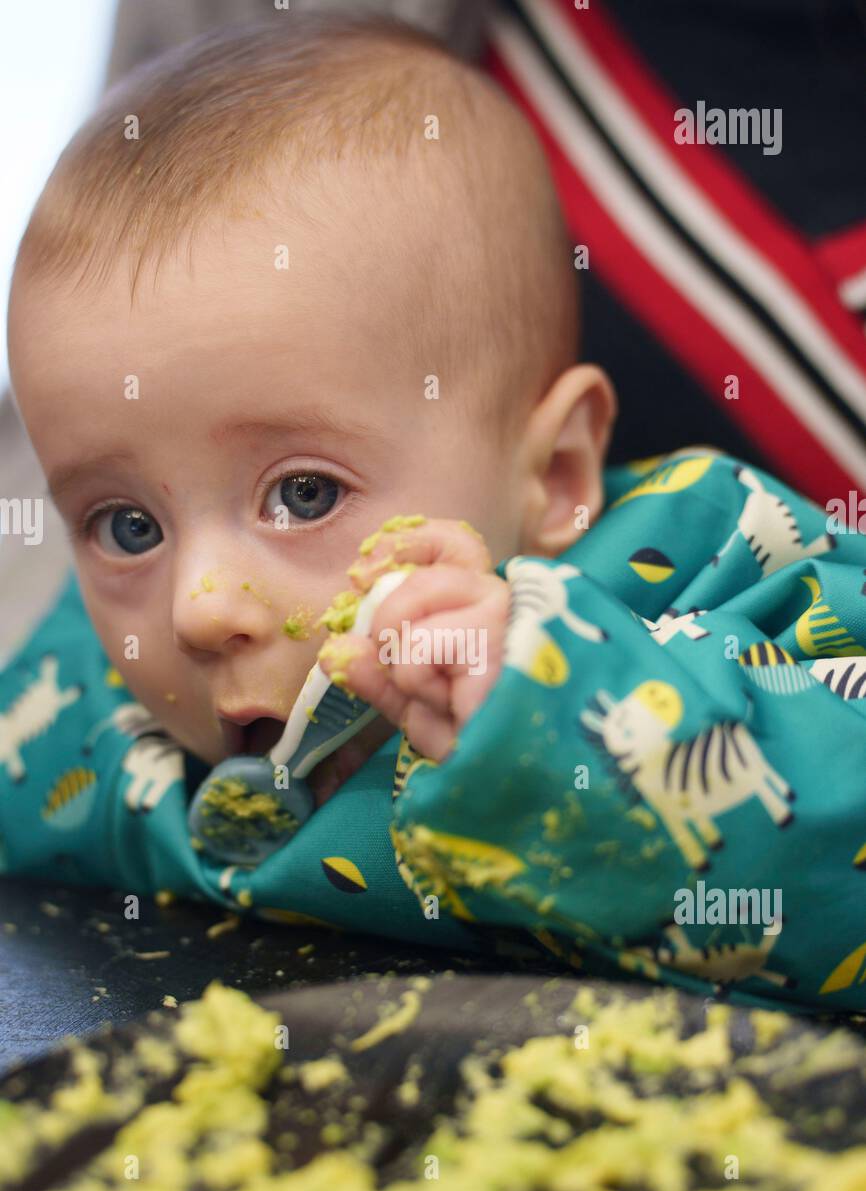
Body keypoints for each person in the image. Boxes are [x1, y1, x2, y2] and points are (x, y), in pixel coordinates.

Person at [3, 15, 866, 1017]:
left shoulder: (715, 555)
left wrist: (559, 721)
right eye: (127, 526)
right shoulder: (82, 703)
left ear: (551, 474)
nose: (198, 608)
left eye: (303, 495)